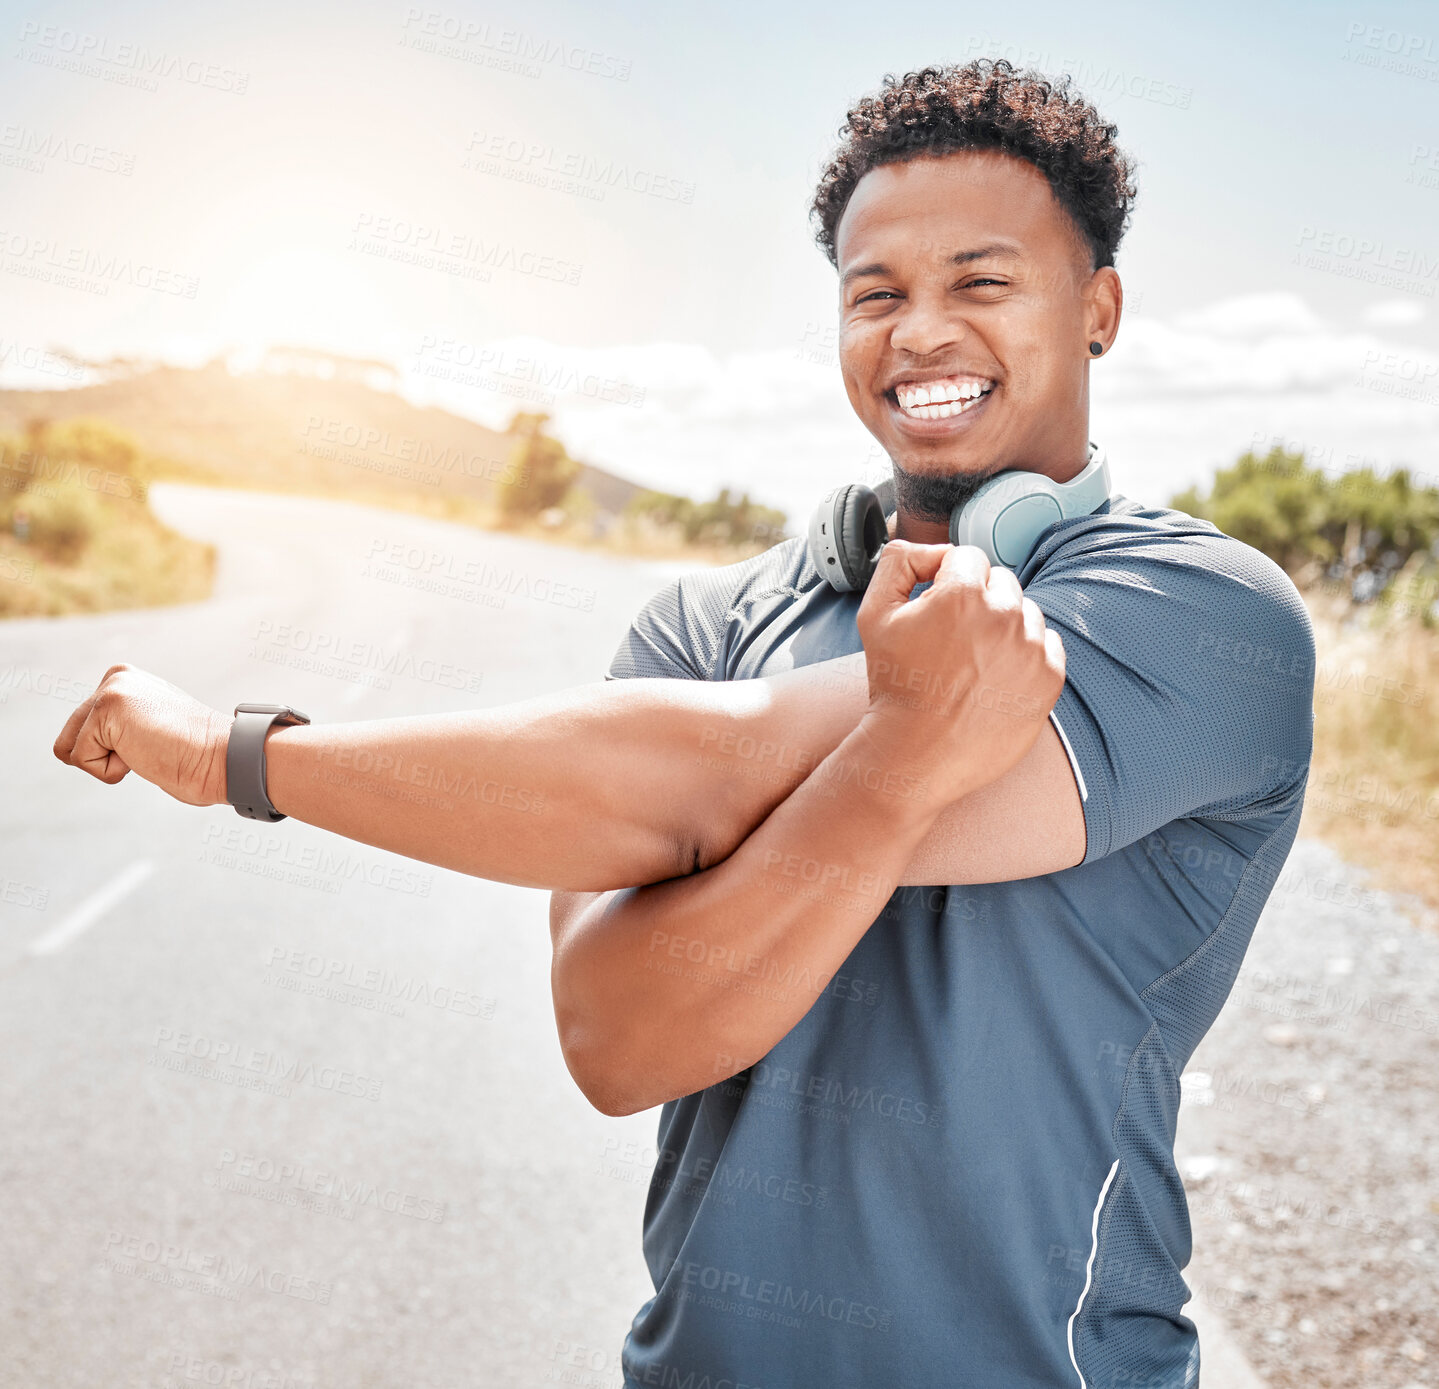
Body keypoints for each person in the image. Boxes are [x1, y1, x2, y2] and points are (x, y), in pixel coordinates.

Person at [51, 57, 1315, 1389]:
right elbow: (617, 1039)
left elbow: (692, 775)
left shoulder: (1201, 615)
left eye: (982, 281)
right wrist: (892, 759)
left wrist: (235, 756)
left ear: (1099, 307)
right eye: (874, 294)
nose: (922, 331)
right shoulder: (707, 626)